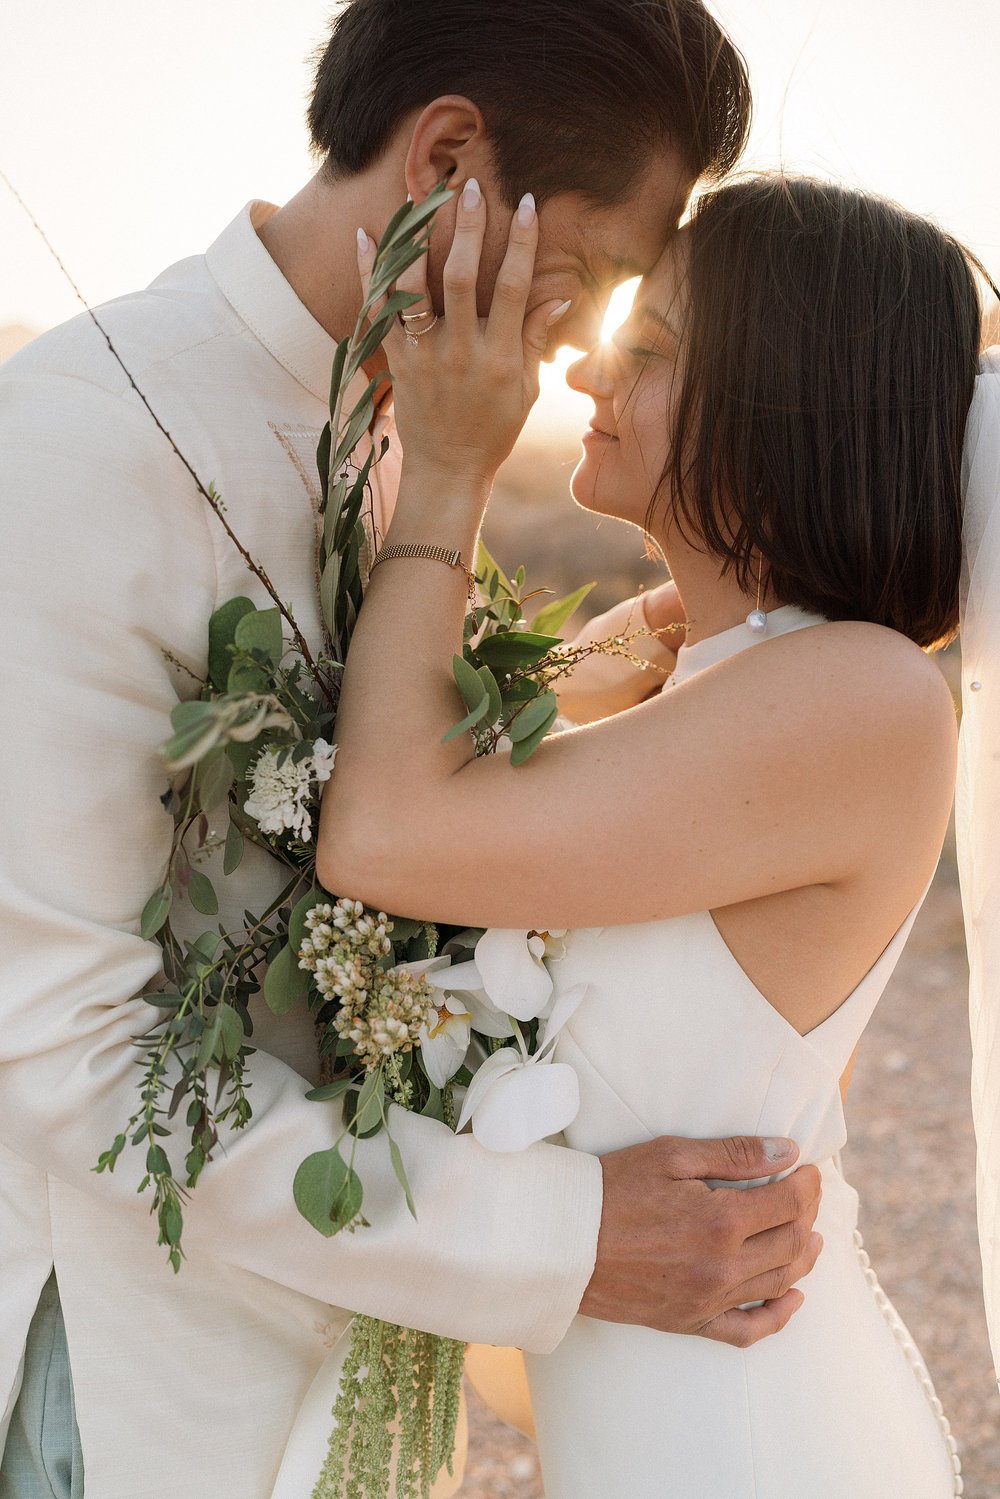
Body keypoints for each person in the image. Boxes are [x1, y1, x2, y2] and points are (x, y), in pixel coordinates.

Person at [0, 5, 828, 1497]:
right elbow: (67, 1048)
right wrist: (567, 1237)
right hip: (147, 1388)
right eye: (586, 274)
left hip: (358, 1361)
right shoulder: (70, 449)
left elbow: (369, 803)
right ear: (448, 158)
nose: (577, 343)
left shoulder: (404, 419)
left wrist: (600, 679)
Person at [318, 172, 982, 1495]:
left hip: (746, 1440)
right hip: (653, 1421)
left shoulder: (861, 694)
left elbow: (385, 831)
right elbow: (448, 770)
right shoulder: (701, 665)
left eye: (654, 347)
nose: (590, 374)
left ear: (789, 399)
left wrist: (450, 468)